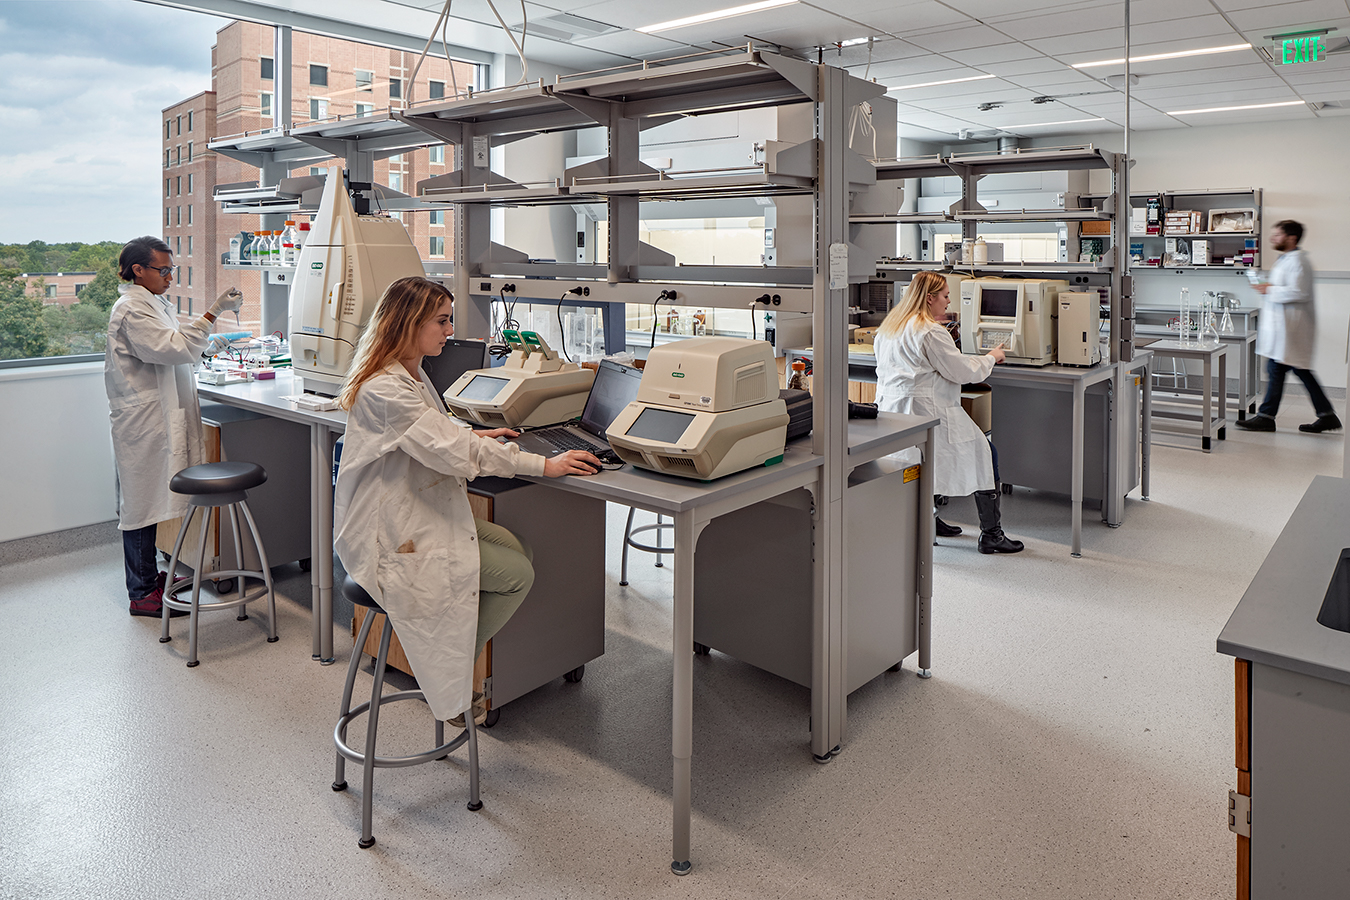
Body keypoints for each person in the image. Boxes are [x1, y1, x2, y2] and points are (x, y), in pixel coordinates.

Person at [333, 276, 601, 727]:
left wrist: (473, 433)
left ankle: (451, 658)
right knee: (518, 575)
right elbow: (453, 452)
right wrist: (544, 465)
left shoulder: (411, 374)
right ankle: (452, 672)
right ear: (408, 323)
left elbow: (432, 436)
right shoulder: (386, 389)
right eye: (442, 320)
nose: (449, 329)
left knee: (521, 549)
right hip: (392, 533)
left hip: (419, 510)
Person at [105, 236, 243, 618]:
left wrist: (206, 345)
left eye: (171, 270)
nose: (169, 277)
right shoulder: (132, 308)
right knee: (140, 507)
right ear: (138, 270)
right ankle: (141, 594)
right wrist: (214, 311)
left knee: (147, 503)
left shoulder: (153, 302)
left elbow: (178, 347)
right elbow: (170, 348)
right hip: (143, 423)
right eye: (163, 270)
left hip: (156, 416)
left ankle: (149, 579)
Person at [874, 271, 1023, 554]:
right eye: (945, 295)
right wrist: (992, 357)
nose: (948, 300)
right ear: (930, 298)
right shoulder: (929, 331)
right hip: (928, 411)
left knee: (922, 463)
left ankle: (931, 519)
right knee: (986, 453)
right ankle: (992, 535)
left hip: (894, 411)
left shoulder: (890, 327)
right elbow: (961, 371)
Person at [1237, 219, 1341, 433]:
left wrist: (1270, 290)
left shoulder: (1299, 261)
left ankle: (1267, 417)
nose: (1272, 238)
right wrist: (1267, 286)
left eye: (1277, 235)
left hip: (1292, 329)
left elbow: (1298, 291)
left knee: (1279, 369)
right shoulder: (1286, 259)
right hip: (1284, 329)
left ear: (1291, 238)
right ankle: (1326, 415)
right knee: (1288, 370)